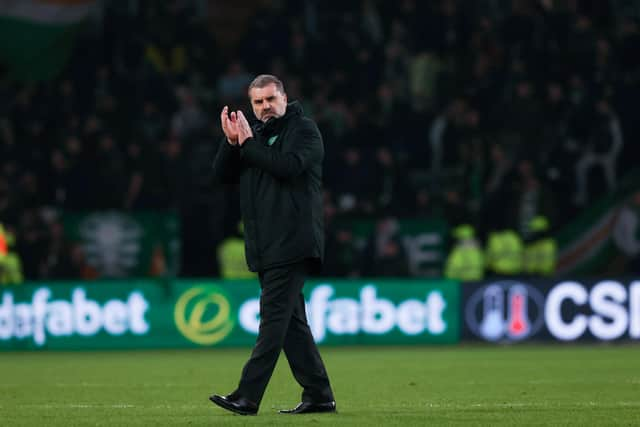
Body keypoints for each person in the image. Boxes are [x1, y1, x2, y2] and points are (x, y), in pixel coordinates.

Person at [209, 75, 336, 416]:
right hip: (267, 246)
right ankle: (319, 395)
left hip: (292, 243)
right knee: (292, 325)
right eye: (258, 103)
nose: (265, 107)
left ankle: (247, 395)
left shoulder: (304, 130)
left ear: (284, 98)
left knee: (273, 322)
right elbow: (221, 175)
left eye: (270, 100)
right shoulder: (256, 137)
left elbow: (288, 166)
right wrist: (231, 141)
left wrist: (248, 145)